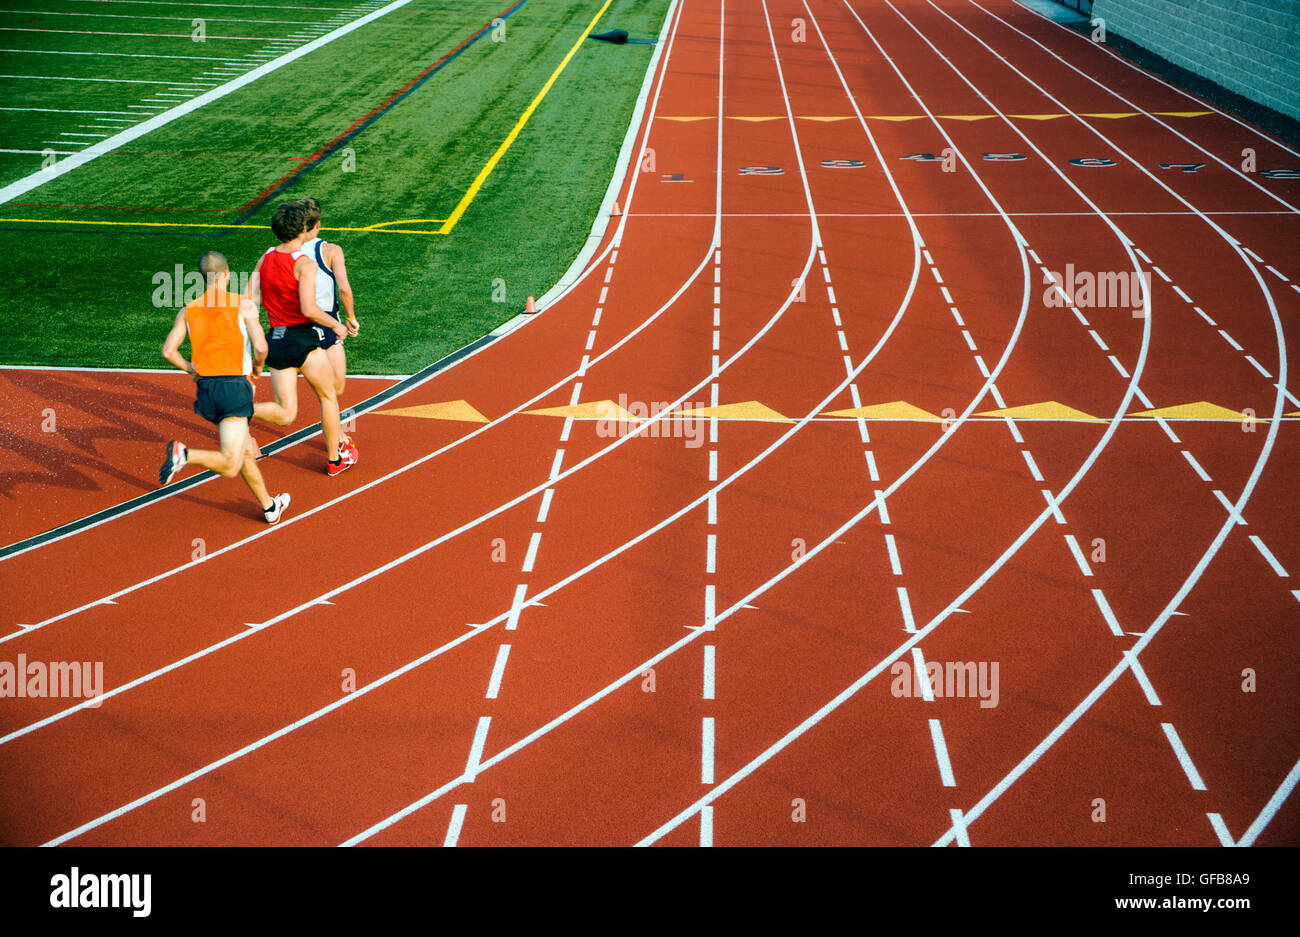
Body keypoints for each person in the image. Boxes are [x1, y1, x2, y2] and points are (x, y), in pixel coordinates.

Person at [158, 251, 291, 524]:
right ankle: (184, 455)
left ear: (202, 278)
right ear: (228, 274)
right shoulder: (243, 305)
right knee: (230, 464)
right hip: (235, 387)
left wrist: (191, 370)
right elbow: (262, 347)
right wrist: (256, 369)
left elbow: (169, 351)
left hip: (207, 391)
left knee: (241, 451)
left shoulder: (188, 309)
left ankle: (269, 506)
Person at [247, 200, 358, 476]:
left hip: (277, 340)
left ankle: (237, 409)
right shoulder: (305, 264)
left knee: (285, 413)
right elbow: (309, 309)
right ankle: (335, 460)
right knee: (328, 396)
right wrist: (337, 325)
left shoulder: (266, 256)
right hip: (302, 339)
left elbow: (250, 301)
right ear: (302, 229)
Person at [298, 196, 359, 401]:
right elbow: (344, 289)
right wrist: (351, 317)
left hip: (294, 323)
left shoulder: (286, 251)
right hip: (327, 322)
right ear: (318, 224)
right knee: (335, 388)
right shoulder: (331, 250)